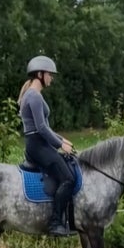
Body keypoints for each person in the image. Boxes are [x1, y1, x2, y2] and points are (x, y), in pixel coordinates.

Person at [18, 55, 77, 237]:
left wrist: (63, 140)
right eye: (50, 74)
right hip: (37, 146)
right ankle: (55, 223)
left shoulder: (34, 95)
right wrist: (59, 144)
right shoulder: (34, 97)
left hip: (39, 143)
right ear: (40, 74)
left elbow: (46, 127)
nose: (51, 78)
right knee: (68, 179)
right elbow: (41, 128)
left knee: (68, 167)